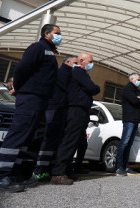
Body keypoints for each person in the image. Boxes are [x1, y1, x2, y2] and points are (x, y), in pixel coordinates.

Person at [0, 24, 60, 193]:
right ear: (47, 33)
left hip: (39, 100)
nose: (60, 36)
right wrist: (17, 86)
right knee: (17, 135)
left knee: (26, 138)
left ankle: (14, 174)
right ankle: (1, 175)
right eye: (57, 33)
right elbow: (21, 68)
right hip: (30, 98)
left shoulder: (49, 51)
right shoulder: (38, 47)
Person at [51, 52, 100, 185]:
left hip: (81, 110)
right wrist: (90, 88)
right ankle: (58, 173)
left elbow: (93, 88)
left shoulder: (83, 74)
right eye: (90, 61)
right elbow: (93, 88)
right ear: (82, 61)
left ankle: (67, 171)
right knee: (69, 141)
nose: (91, 64)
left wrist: (91, 88)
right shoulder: (78, 72)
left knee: (74, 142)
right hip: (76, 109)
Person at [33, 56, 77, 181]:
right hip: (54, 108)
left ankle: (47, 169)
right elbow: (67, 88)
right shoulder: (63, 73)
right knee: (48, 139)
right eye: (74, 63)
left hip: (60, 109)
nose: (76, 65)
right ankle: (39, 170)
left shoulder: (68, 73)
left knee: (54, 140)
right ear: (67, 62)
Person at [116, 73, 140, 176]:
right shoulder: (127, 89)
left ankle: (126, 166)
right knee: (124, 142)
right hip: (129, 118)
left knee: (129, 144)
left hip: (136, 119)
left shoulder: (137, 90)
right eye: (138, 79)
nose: (139, 81)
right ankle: (119, 166)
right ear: (132, 79)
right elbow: (134, 101)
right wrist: (139, 99)